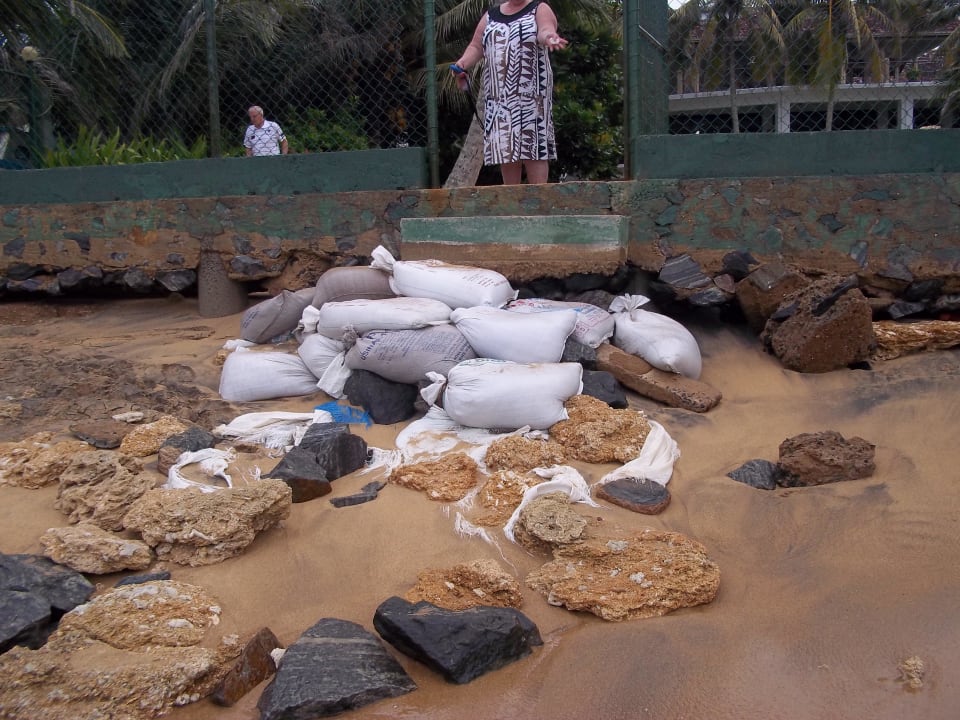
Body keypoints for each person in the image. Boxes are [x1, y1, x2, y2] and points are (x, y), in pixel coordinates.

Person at [452, 0, 568, 185]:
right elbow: (476, 46)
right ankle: (512, 202)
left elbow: (545, 30)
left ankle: (539, 203)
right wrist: (463, 63)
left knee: (533, 148)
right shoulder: (490, 15)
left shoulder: (539, 9)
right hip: (499, 96)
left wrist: (550, 37)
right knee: (505, 148)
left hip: (531, 94)